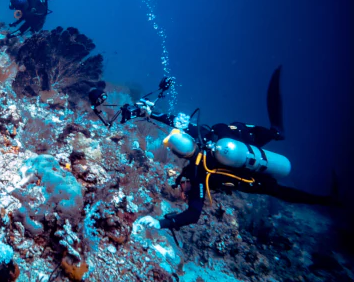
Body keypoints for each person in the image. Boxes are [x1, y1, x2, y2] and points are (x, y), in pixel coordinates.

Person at [89, 67, 336, 232]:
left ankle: (325, 200)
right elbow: (177, 121)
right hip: (239, 139)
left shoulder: (199, 173)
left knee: (281, 192)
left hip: (250, 174)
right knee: (262, 142)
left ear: (180, 155)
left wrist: (161, 222)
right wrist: (150, 112)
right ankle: (276, 133)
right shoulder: (203, 135)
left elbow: (193, 214)